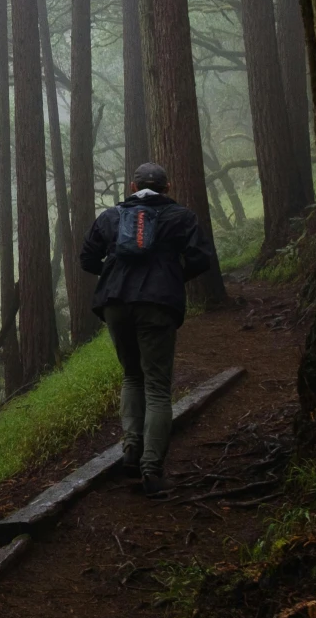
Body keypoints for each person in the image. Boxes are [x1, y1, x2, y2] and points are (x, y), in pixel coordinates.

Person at [79, 161, 217, 497]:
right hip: (157, 305)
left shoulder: (110, 217)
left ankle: (131, 450)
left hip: (114, 303)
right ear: (167, 188)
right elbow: (201, 258)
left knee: (131, 376)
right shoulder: (181, 217)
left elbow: (87, 259)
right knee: (157, 386)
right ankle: (152, 469)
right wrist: (171, 279)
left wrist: (112, 274)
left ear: (132, 186)